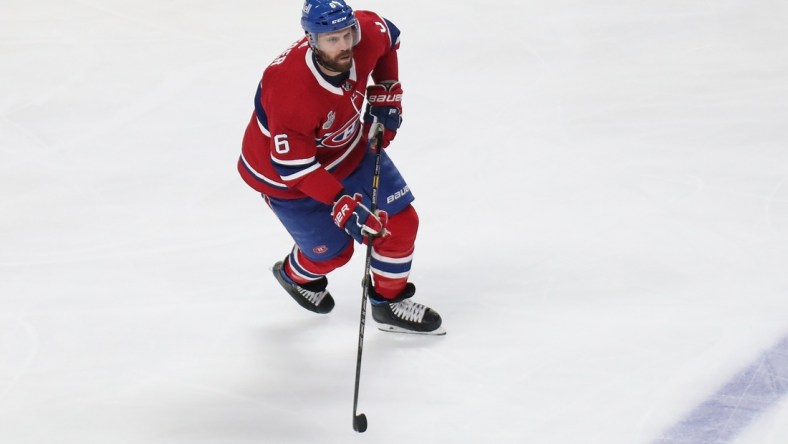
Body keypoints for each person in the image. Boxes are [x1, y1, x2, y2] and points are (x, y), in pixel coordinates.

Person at [237, 0, 444, 335]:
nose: (345, 44)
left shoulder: (363, 35)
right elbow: (295, 169)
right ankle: (294, 275)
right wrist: (341, 203)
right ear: (311, 39)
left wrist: (387, 90)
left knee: (401, 224)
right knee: (332, 254)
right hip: (287, 180)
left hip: (348, 150)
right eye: (332, 39)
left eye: (347, 34)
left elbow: (388, 38)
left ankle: (388, 304)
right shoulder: (288, 88)